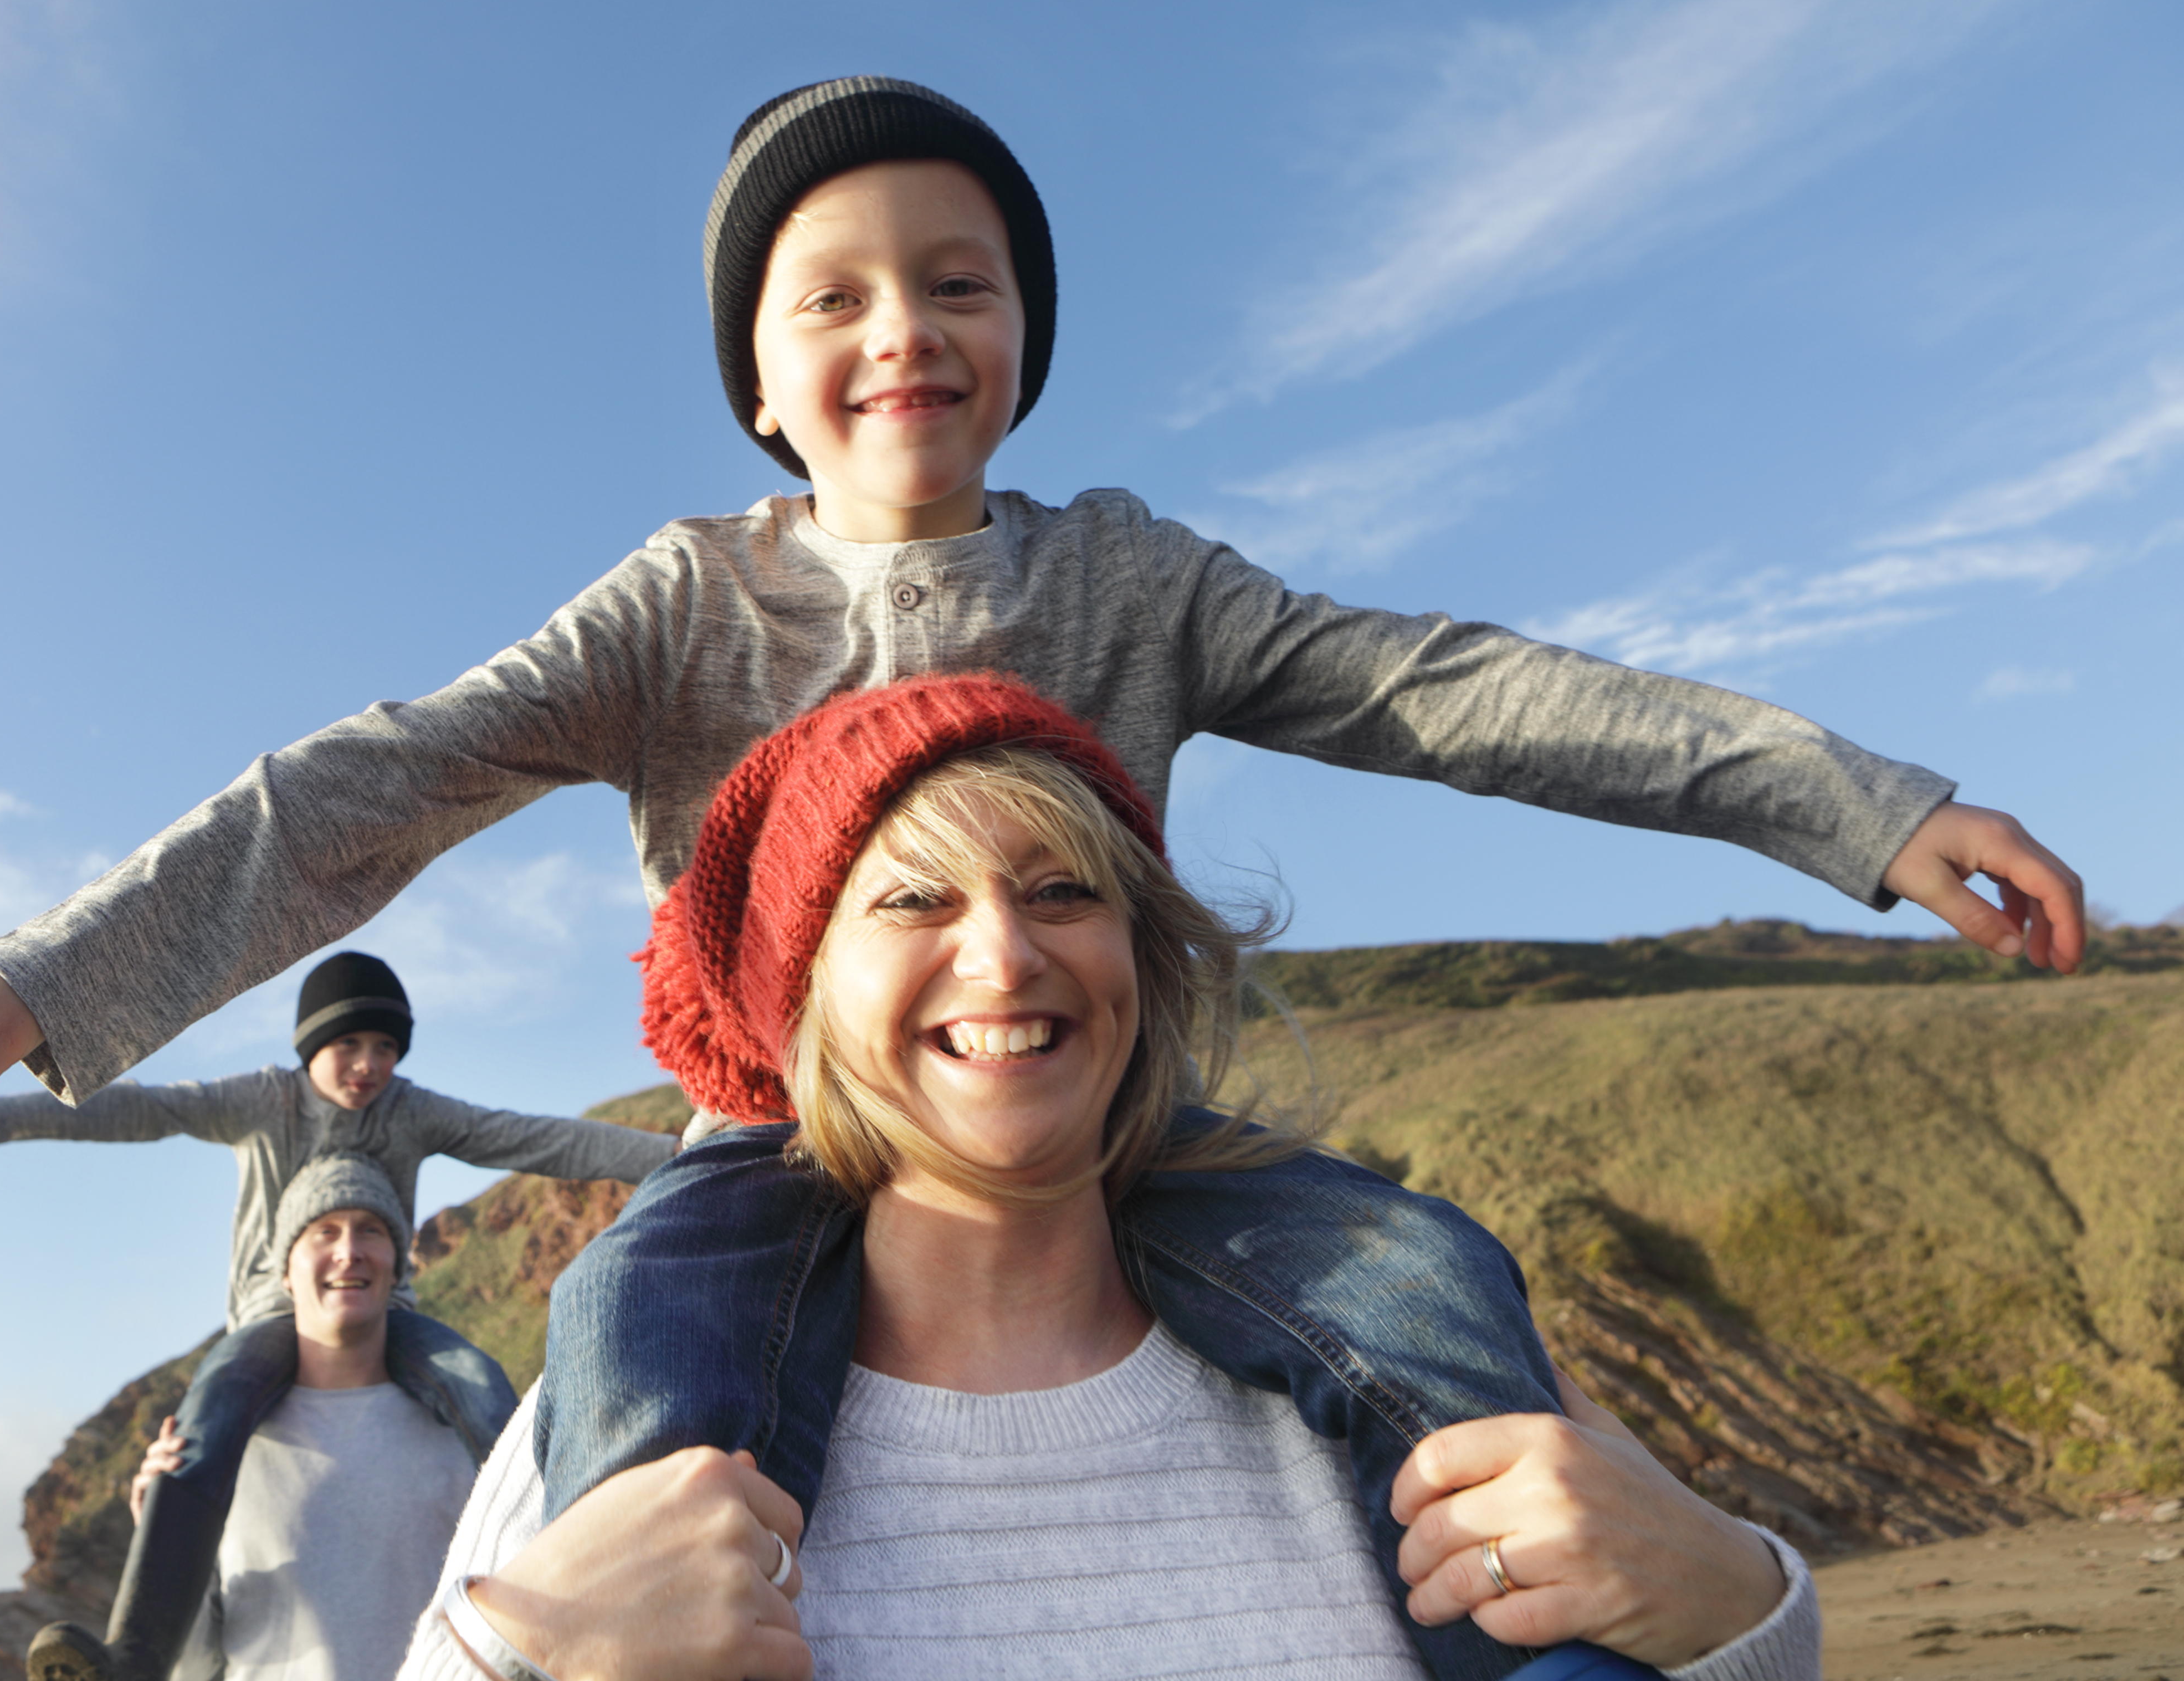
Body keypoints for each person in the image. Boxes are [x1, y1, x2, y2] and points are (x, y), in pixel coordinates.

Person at [0, 74, 2047, 1664]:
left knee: (1420, 1277)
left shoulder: (1133, 581)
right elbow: (367, 784)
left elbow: (1444, 684)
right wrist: (55, 975)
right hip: (781, 1147)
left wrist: (1850, 805)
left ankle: (1529, 1645)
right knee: (622, 1341)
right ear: (759, 379)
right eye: (831, 296)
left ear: (1024, 337)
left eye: (954, 282)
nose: (900, 330)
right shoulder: (680, 604)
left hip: (1117, 1137)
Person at [402, 675, 1817, 1681]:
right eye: (912, 898)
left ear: (1139, 956)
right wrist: (515, 1662)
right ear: (800, 997)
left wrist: (1745, 1617)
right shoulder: (607, 1424)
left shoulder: (1406, 1368)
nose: (1006, 955)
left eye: (1064, 889)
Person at [0, 950, 674, 1681]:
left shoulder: (414, 1110)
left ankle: (573, 1593)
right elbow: (147, 1110)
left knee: (483, 1388)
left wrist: (677, 1155)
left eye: (386, 1049)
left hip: (386, 1309)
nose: (367, 1066)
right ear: (309, 1045)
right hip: (265, 1317)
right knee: (200, 1436)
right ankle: (134, 1657)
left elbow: (532, 1140)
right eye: (349, 1046)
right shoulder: (262, 1100)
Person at [86, 1156, 498, 1681]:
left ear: (397, 1267)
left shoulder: (461, 1435)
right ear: (285, 1271)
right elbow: (195, 1665)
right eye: (324, 1233)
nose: (348, 1252)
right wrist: (159, 1528)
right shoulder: (220, 1450)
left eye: (370, 1231)